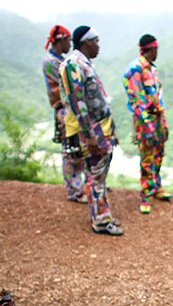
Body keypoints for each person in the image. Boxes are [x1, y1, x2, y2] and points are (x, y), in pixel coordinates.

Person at [58, 25, 123, 236]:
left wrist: (110, 130)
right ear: (86, 42)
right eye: (96, 41)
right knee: (96, 177)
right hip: (92, 133)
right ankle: (101, 221)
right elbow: (77, 103)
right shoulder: (72, 65)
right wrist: (88, 135)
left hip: (100, 131)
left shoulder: (84, 64)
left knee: (98, 177)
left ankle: (101, 215)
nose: (98, 46)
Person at [122, 33, 171, 214]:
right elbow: (135, 99)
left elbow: (158, 96)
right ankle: (146, 195)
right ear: (152, 49)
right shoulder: (134, 69)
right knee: (147, 157)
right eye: (156, 49)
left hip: (158, 118)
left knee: (159, 153)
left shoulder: (152, 69)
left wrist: (162, 121)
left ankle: (156, 187)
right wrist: (145, 122)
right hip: (145, 120)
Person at [42, 24, 86, 203]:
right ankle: (75, 190)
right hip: (65, 110)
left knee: (76, 148)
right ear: (61, 40)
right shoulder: (54, 63)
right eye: (68, 41)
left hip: (67, 109)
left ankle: (79, 186)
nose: (70, 45)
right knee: (71, 150)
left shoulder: (57, 60)